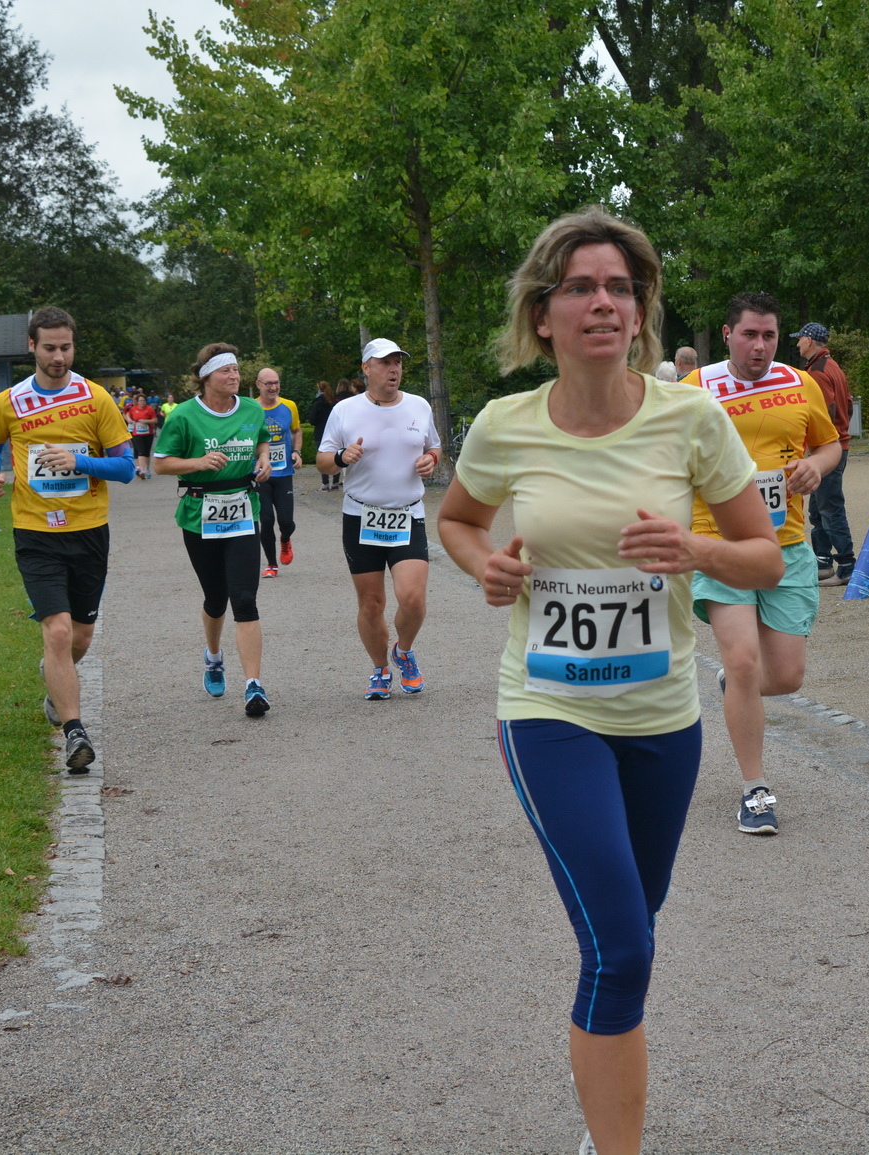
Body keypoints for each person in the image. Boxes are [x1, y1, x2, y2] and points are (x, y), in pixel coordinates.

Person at [437, 205, 780, 1155]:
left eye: (620, 289)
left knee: (634, 924)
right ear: (542, 314)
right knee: (621, 949)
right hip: (549, 710)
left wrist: (693, 548)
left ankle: (600, 1126)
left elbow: (764, 559)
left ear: (641, 313)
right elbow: (458, 520)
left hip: (663, 717)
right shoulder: (506, 425)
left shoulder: (691, 418)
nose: (602, 304)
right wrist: (484, 565)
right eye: (581, 288)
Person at [682, 292, 840, 835]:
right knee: (746, 660)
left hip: (788, 545)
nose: (760, 345)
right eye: (749, 334)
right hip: (718, 543)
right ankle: (755, 790)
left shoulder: (802, 383)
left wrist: (816, 467)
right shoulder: (694, 390)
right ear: (727, 334)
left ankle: (736, 686)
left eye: (769, 335)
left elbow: (831, 444)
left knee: (787, 676)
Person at [0, 306, 135, 770]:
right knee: (59, 630)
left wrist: (80, 463)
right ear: (32, 346)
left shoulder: (97, 398)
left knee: (80, 638)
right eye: (49, 348)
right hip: (35, 530)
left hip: (88, 531)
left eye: (66, 347)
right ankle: (75, 734)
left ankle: (53, 680)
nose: (59, 356)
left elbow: (126, 468)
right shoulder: (9, 401)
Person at [152, 343, 274, 717]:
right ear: (206, 377)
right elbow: (161, 464)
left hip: (242, 509)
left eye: (236, 370)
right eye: (226, 371)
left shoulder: (252, 409)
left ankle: (254, 685)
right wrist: (199, 461)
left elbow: (262, 441)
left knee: (245, 599)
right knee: (215, 598)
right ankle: (214, 656)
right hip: (198, 513)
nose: (234, 376)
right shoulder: (185, 416)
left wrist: (265, 459)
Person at [316, 339, 441, 699]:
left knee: (413, 598)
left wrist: (431, 460)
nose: (394, 369)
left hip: (407, 515)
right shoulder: (344, 410)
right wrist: (342, 456)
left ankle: (403, 650)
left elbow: (434, 446)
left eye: (397, 363)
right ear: (366, 368)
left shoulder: (419, 405)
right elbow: (322, 460)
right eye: (385, 363)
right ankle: (380, 669)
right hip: (361, 516)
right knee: (372, 604)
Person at [795, 321, 856, 586]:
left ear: (809, 341)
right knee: (819, 509)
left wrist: (821, 438)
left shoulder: (817, 372)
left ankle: (846, 566)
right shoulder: (832, 366)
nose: (797, 343)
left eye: (800, 339)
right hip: (838, 445)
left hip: (827, 448)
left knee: (829, 509)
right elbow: (848, 404)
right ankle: (822, 563)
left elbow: (826, 409)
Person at [254, 367, 301, 577]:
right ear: (258, 385)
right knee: (266, 520)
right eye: (268, 384)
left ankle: (285, 539)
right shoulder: (251, 409)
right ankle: (271, 564)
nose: (273, 387)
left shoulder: (289, 406)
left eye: (276, 383)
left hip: (284, 473)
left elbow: (296, 430)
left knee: (286, 522)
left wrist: (297, 452)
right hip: (260, 473)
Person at [125, 391, 160, 480]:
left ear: (145, 401)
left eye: (143, 400)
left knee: (147, 452)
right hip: (137, 433)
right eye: (140, 400)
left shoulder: (149, 409)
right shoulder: (133, 409)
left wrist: (146, 421)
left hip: (148, 433)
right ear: (138, 401)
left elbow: (155, 420)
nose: (142, 402)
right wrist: (129, 420)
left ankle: (147, 469)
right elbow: (128, 415)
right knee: (140, 451)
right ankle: (142, 470)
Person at [309, 381, 336, 491]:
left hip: (321, 432)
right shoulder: (333, 402)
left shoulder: (317, 403)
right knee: (335, 455)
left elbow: (312, 420)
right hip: (333, 432)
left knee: (322, 456)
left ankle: (325, 482)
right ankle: (335, 481)